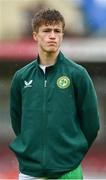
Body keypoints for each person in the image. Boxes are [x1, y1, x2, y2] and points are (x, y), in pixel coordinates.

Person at [9, 9, 100, 179]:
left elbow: (91, 124)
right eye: (46, 31)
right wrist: (31, 146)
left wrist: (71, 153)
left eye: (57, 31)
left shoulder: (78, 74)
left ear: (62, 35)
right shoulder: (21, 77)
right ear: (36, 36)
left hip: (67, 170)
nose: (52, 36)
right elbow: (17, 121)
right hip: (30, 171)